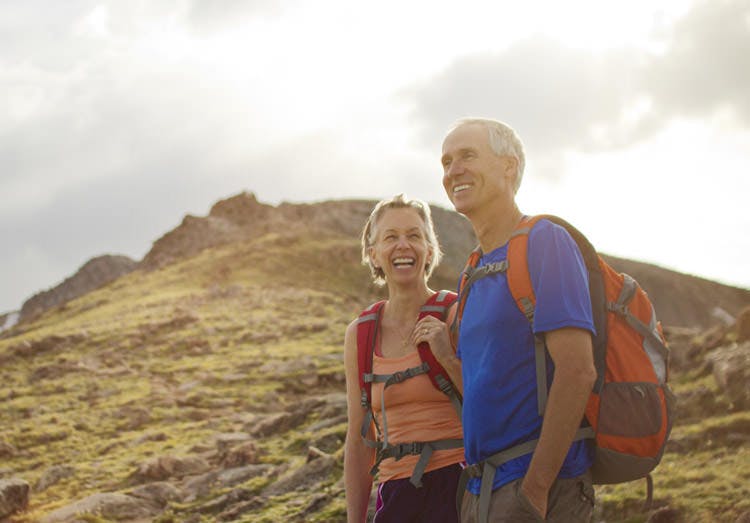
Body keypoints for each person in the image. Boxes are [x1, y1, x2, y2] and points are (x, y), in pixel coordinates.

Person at [439, 118, 597, 523]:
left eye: (467, 156)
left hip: (533, 487)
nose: (453, 170)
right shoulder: (473, 268)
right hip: (478, 490)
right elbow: (490, 384)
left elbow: (578, 370)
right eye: (446, 161)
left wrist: (535, 488)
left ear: (508, 167)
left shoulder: (545, 241)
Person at [344, 194, 465, 523]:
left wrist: (447, 356)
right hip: (396, 495)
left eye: (414, 235)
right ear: (374, 254)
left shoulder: (455, 313)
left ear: (429, 249)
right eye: (390, 237)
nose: (403, 246)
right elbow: (359, 437)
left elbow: (491, 406)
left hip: (460, 488)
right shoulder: (361, 334)